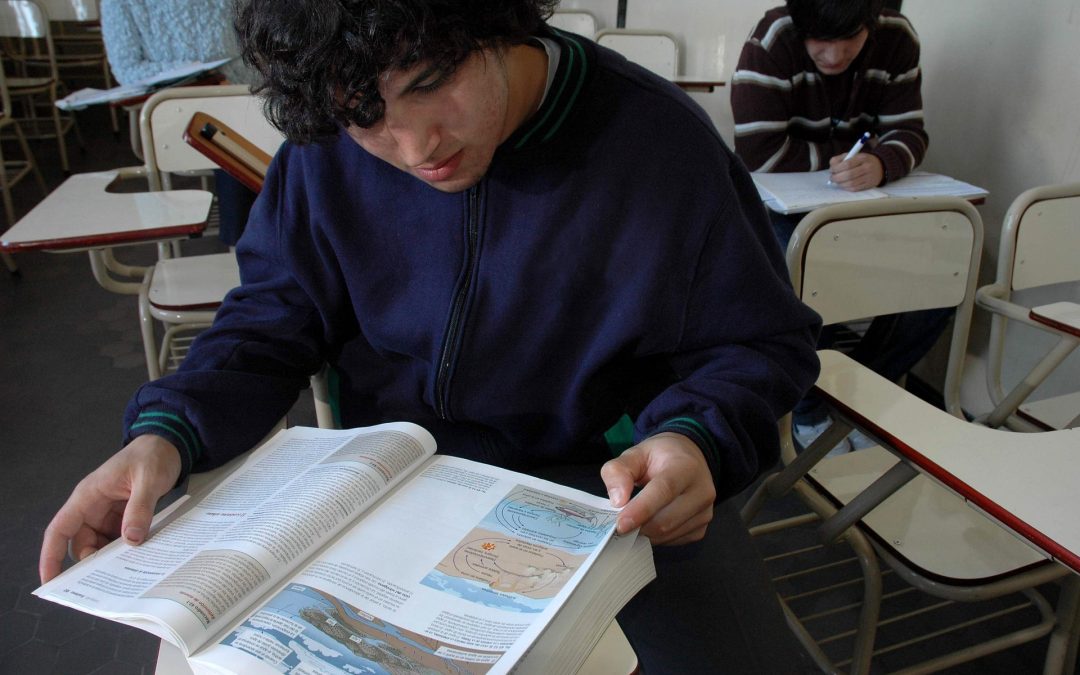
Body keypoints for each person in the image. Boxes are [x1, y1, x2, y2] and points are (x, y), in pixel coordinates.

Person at [42, 1, 823, 671]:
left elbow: (761, 342)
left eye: (431, 84)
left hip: (608, 493)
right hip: (387, 489)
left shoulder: (660, 147)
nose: (417, 149)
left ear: (501, 23)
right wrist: (167, 432)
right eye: (367, 114)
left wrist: (698, 436)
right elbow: (270, 318)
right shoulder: (323, 155)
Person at [731, 0, 948, 452]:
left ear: (872, 23)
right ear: (799, 24)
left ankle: (857, 395)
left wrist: (883, 163)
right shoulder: (772, 39)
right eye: (819, 41)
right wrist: (843, 161)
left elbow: (909, 131)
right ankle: (809, 405)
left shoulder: (897, 37)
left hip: (862, 198)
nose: (833, 56)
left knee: (946, 270)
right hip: (784, 204)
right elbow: (759, 153)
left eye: (849, 40)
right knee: (810, 278)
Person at [100, 0, 257, 245]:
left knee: (279, 129)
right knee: (232, 138)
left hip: (240, 92)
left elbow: (254, 43)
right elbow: (127, 69)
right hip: (177, 105)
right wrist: (198, 74)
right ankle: (244, 245)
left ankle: (260, 244)